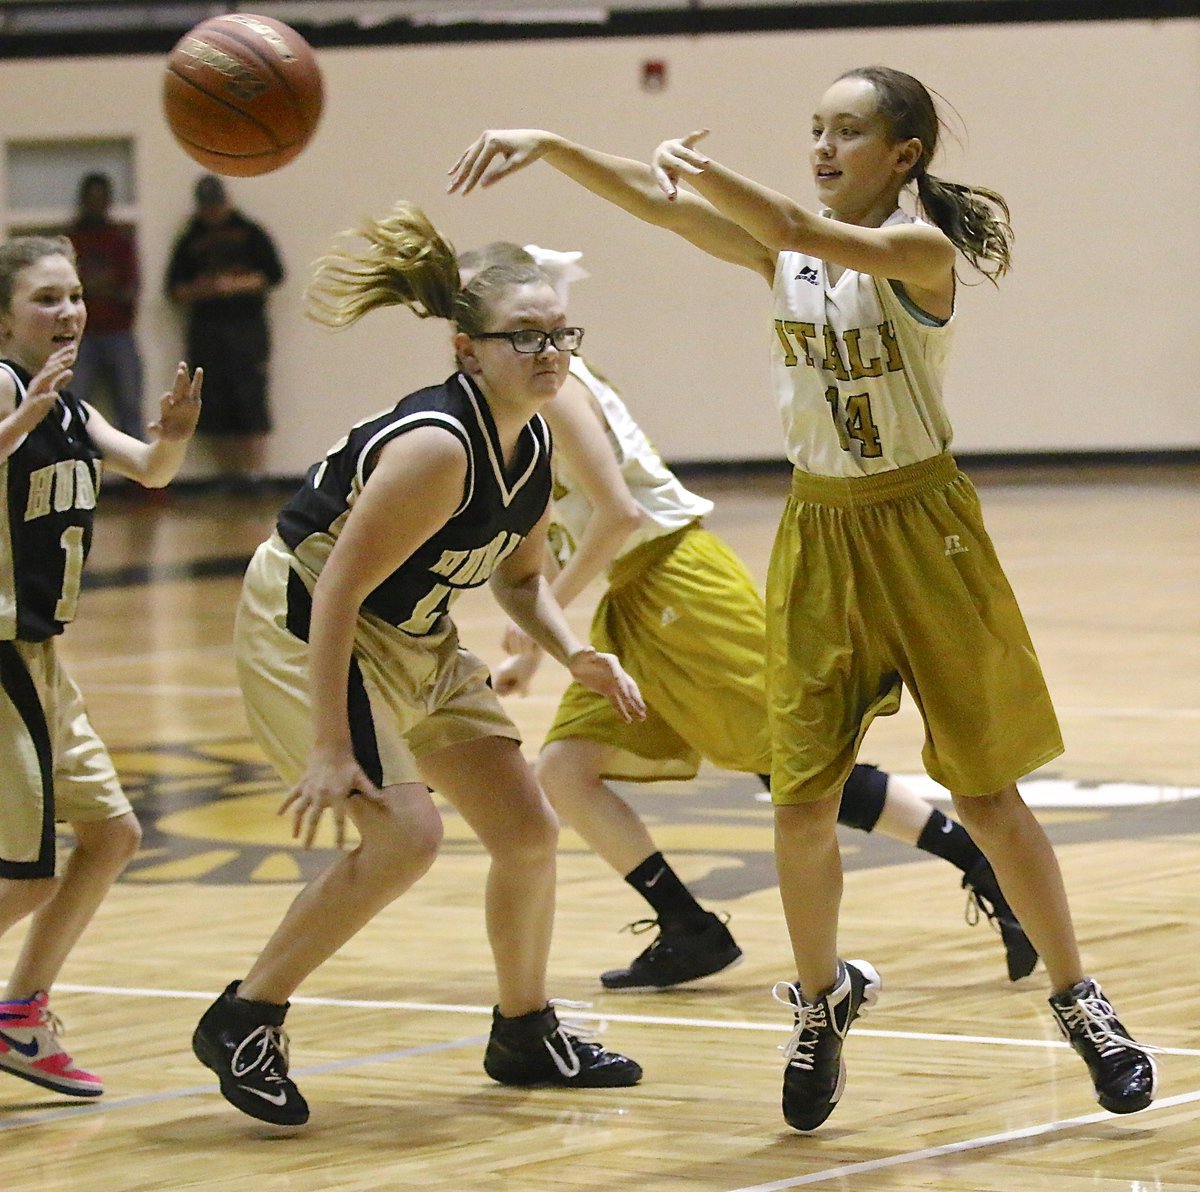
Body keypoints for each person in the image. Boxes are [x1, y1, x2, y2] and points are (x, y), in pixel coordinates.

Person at [447, 65, 1158, 1130]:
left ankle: (1078, 994)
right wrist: (552, 142)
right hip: (818, 529)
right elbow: (662, 206)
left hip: (925, 527)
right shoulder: (787, 255)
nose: (823, 147)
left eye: (848, 132)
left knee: (989, 795)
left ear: (903, 156)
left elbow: (777, 215)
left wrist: (704, 171)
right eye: (814, 129)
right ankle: (822, 1000)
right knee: (798, 797)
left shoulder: (919, 251)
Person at [463, 240, 1036, 993]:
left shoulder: (553, 386)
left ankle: (981, 862)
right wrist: (541, 645)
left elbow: (618, 514)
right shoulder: (508, 395)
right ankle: (687, 925)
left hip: (676, 579)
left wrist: (546, 613)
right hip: (634, 598)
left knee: (791, 761)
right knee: (568, 769)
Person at [190, 201, 646, 1129]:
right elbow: (336, 593)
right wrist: (329, 744)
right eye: (524, 335)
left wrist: (575, 651)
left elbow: (521, 583)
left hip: (414, 629)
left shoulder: (539, 441)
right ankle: (245, 1016)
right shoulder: (438, 446)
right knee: (406, 837)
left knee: (525, 830)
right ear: (465, 347)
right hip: (311, 618)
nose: (549, 351)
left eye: (560, 332)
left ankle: (524, 1031)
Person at [0, 234, 201, 1099]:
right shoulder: (10, 388)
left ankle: (17, 1018)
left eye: (75, 296)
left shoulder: (71, 410)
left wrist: (177, 436)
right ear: (5, 316)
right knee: (29, 872)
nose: (70, 312)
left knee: (112, 835)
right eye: (47, 298)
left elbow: (152, 469)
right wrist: (20, 419)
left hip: (45, 659)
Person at [165, 174, 283, 489]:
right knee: (214, 401)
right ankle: (228, 475)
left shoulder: (249, 232)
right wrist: (204, 290)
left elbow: (273, 274)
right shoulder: (190, 239)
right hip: (207, 331)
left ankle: (256, 474)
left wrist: (234, 285)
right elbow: (174, 289)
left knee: (251, 398)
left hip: (246, 329)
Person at [64, 172, 144, 439]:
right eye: (91, 198)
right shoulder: (70, 241)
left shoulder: (119, 240)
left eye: (101, 198)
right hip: (78, 336)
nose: (96, 203)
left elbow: (129, 289)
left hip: (118, 333)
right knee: (72, 406)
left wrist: (92, 286)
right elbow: (62, 289)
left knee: (130, 405)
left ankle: (140, 480)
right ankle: (72, 471)